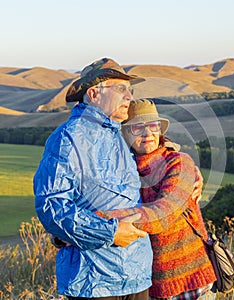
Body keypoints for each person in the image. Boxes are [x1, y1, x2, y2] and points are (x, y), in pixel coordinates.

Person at [33, 58, 153, 299]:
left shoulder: (118, 135)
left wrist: (182, 165)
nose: (129, 97)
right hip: (93, 281)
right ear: (94, 93)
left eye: (130, 90)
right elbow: (52, 207)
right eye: (121, 89)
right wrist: (111, 233)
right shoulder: (68, 139)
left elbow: (150, 152)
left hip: (137, 275)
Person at [94, 99, 217, 299]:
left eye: (153, 125)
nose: (148, 133)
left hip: (189, 282)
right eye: (138, 127)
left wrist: (90, 223)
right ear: (124, 133)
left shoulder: (178, 162)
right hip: (145, 284)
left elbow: (161, 215)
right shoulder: (122, 170)